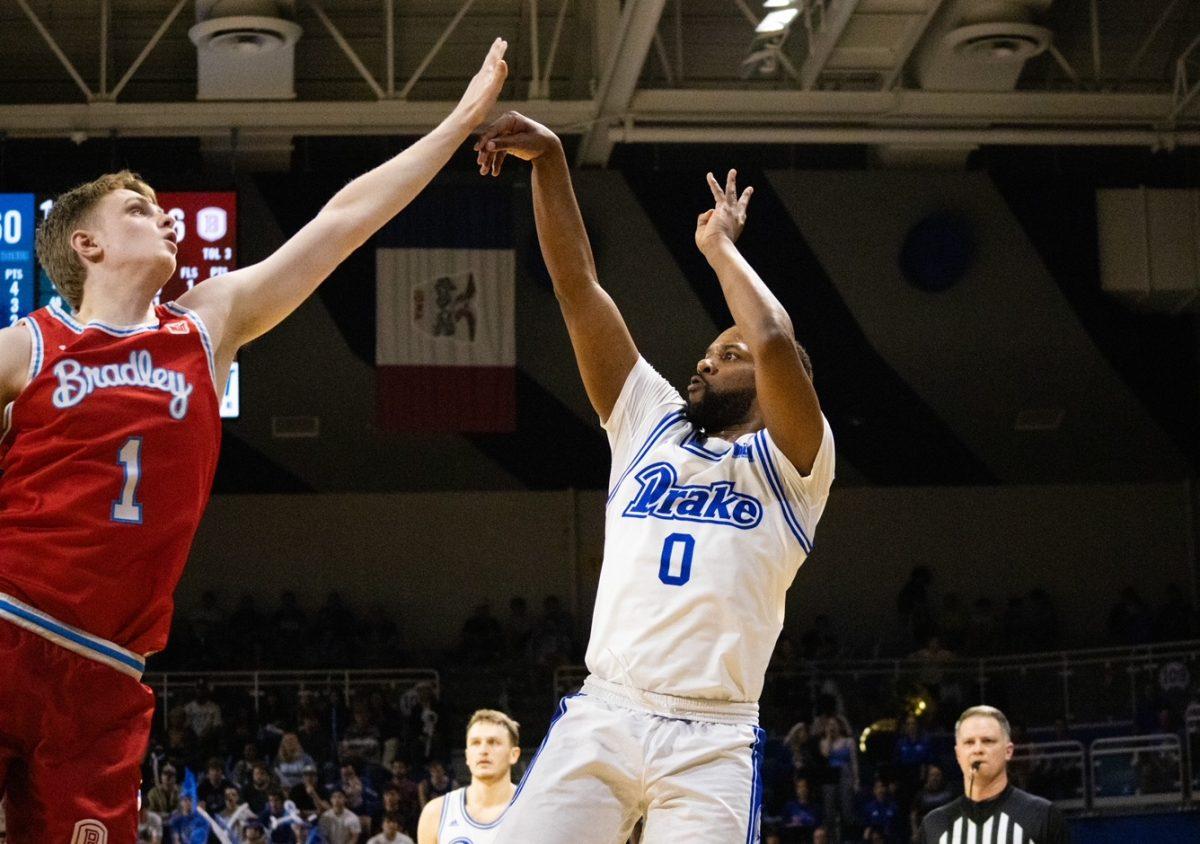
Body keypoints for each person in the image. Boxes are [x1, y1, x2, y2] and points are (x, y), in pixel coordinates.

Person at [0, 38, 509, 842]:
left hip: (106, 673)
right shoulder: (29, 344)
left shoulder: (208, 324)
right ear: (86, 246)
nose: (162, 213)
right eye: (136, 208)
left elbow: (343, 220)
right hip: (10, 625)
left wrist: (456, 124)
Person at [473, 113, 834, 843]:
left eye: (724, 355)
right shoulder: (650, 424)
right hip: (608, 709)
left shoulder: (797, 463)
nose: (705, 361)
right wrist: (548, 160)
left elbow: (771, 338)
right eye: (707, 352)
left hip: (714, 736)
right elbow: (578, 288)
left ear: (776, 382)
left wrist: (718, 248)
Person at [916, 706, 1069, 844]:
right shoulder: (933, 824)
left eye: (987, 741)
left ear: (1008, 751)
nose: (978, 749)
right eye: (969, 742)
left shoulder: (1043, 816)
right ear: (957, 754)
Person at [417, 709, 521, 844]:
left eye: (493, 742)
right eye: (475, 743)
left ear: (514, 755)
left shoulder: (535, 810)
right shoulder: (436, 813)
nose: (483, 750)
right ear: (467, 756)